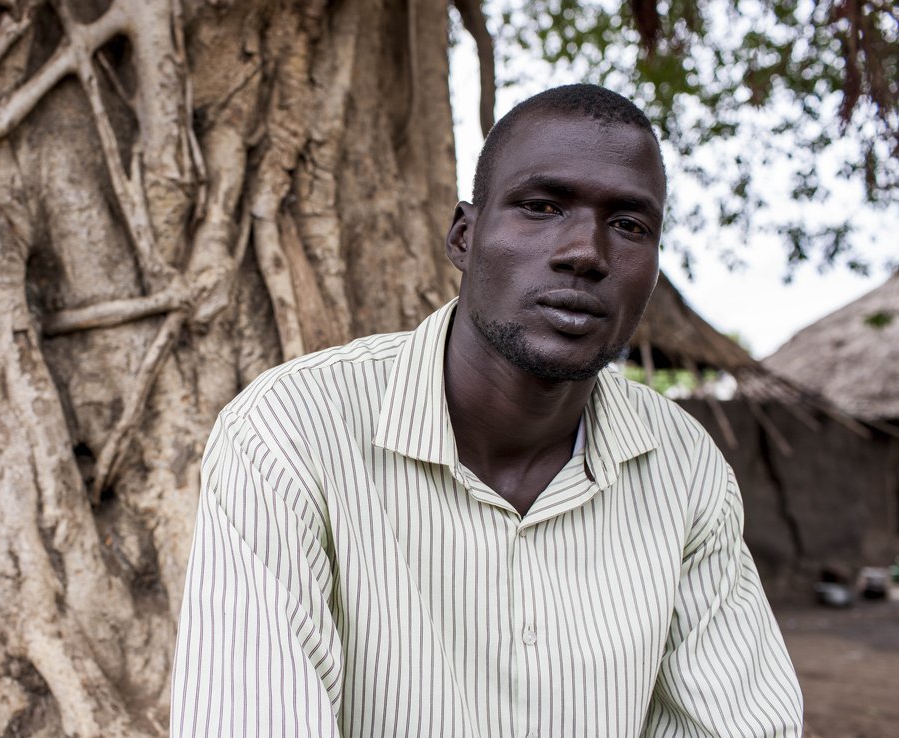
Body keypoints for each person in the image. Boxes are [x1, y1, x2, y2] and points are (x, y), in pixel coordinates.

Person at [170, 84, 803, 737]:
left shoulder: (684, 468)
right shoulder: (292, 431)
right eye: (540, 206)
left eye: (629, 225)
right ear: (464, 237)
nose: (586, 252)